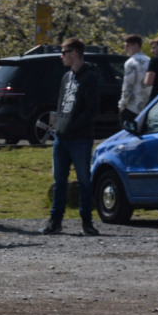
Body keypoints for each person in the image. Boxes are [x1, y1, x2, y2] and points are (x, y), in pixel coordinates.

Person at [42, 38, 99, 236]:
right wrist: (58, 126)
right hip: (61, 139)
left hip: (80, 139)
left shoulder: (89, 78)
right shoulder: (66, 77)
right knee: (59, 182)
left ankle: (87, 222)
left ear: (74, 53)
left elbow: (92, 109)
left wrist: (73, 127)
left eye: (64, 52)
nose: (61, 56)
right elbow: (61, 104)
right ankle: (55, 221)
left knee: (84, 180)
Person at [118, 33, 151, 122]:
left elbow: (128, 86)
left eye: (127, 46)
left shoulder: (131, 62)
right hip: (147, 106)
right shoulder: (150, 61)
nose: (125, 49)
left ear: (136, 45)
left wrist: (122, 104)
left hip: (132, 107)